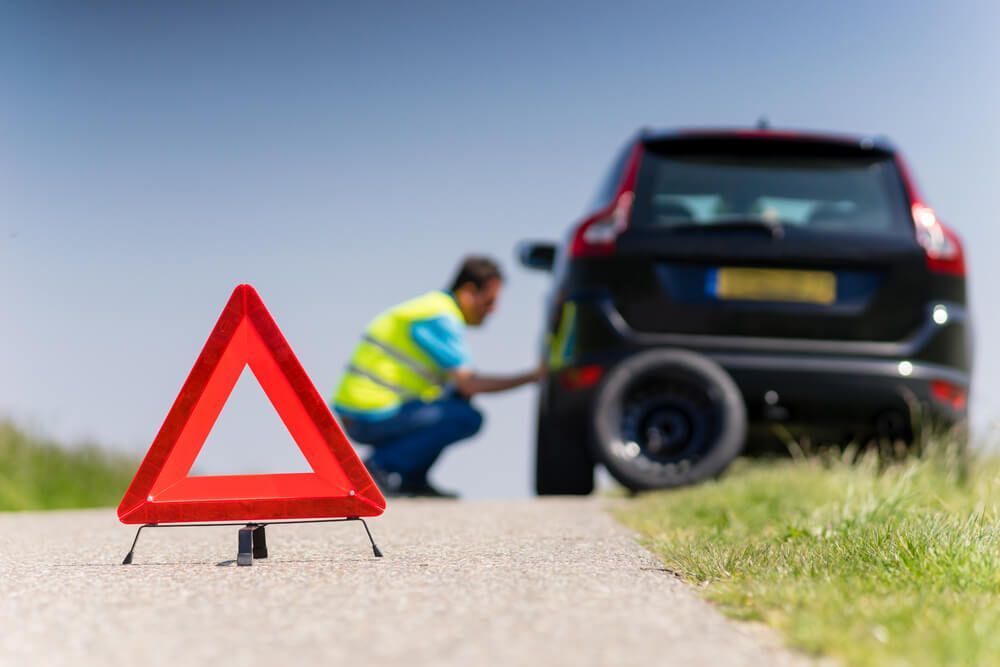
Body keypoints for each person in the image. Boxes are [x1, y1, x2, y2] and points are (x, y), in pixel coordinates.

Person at [331, 256, 543, 498]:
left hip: (366, 410)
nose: (493, 311)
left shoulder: (432, 308)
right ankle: (378, 468)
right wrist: (532, 377)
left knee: (458, 403)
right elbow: (470, 384)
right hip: (368, 414)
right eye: (489, 301)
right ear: (469, 291)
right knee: (465, 416)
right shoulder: (439, 317)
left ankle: (412, 479)